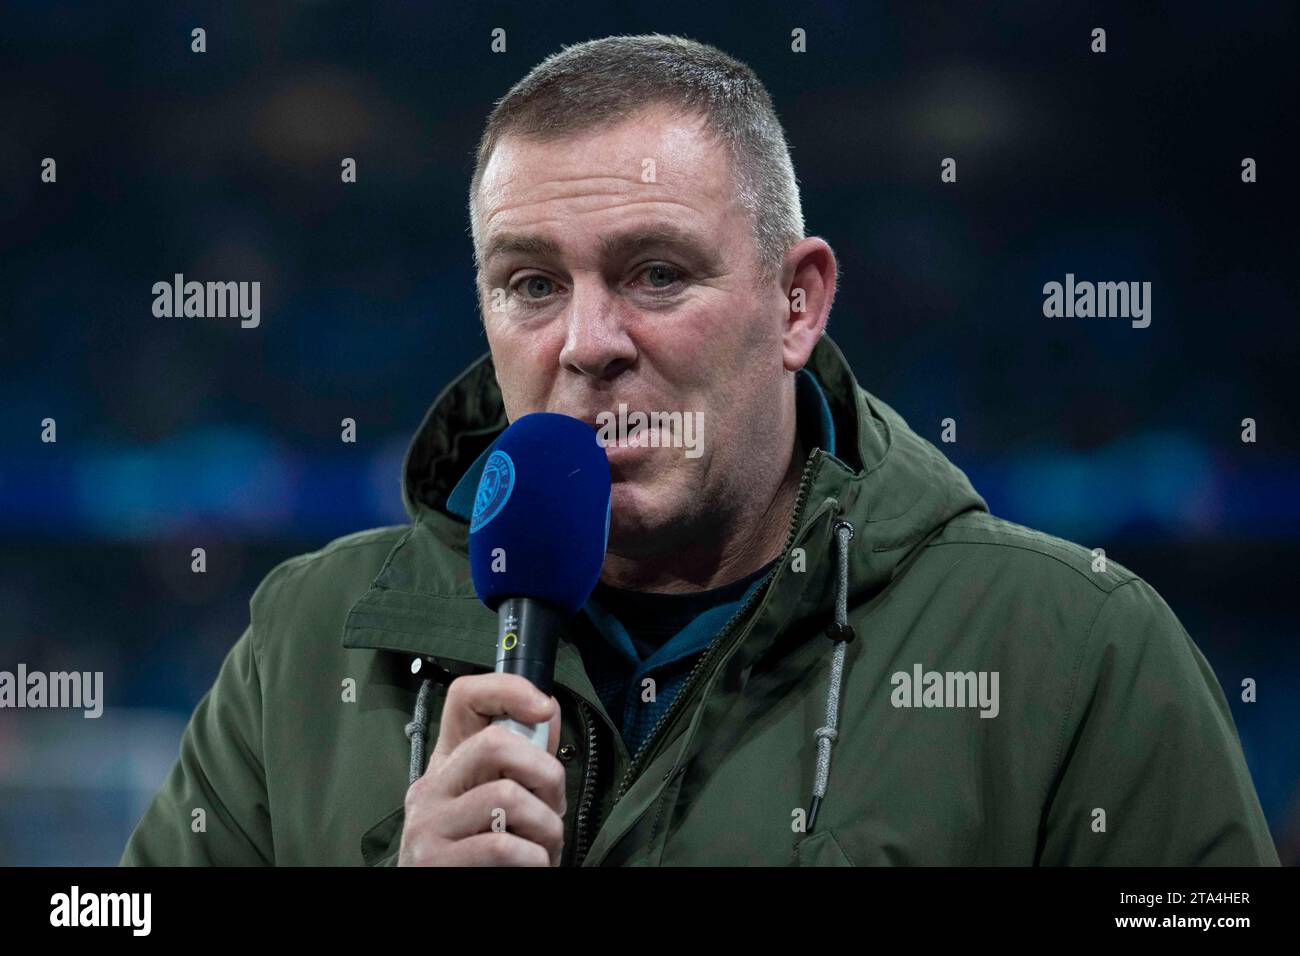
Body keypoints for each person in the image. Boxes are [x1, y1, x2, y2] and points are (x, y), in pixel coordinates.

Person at [120, 33, 1279, 867]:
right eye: (530, 283)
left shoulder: (1075, 651)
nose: (586, 343)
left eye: (655, 273)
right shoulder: (306, 641)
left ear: (796, 302)